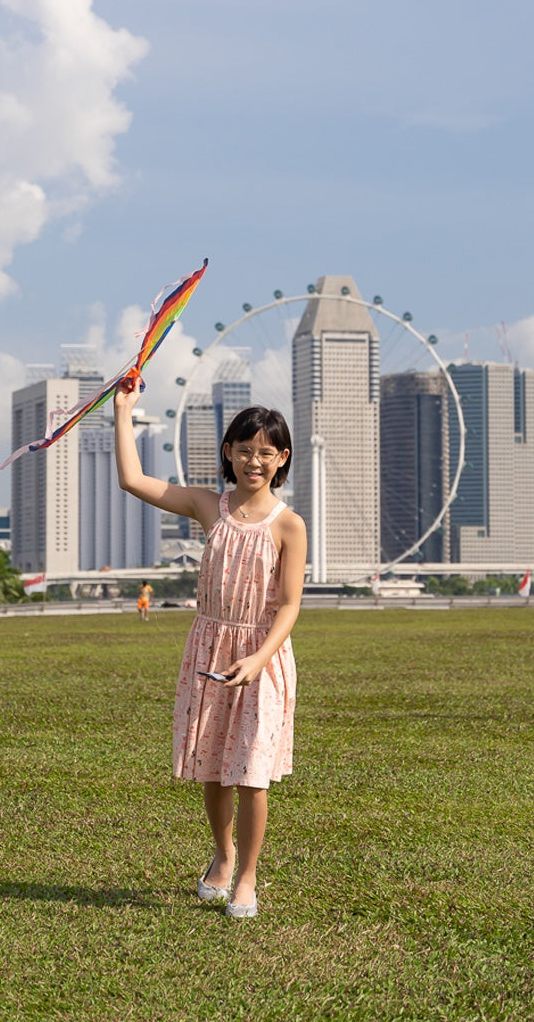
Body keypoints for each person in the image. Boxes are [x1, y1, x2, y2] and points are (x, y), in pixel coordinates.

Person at [114, 379, 306, 918]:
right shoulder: (208, 506)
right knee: (216, 767)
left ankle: (247, 878)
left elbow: (289, 605)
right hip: (211, 648)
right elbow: (133, 479)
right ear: (228, 452)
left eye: (266, 452)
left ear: (282, 458)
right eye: (245, 450)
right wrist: (123, 410)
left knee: (251, 772)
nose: (254, 461)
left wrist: (259, 658)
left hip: (260, 658)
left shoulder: (289, 524)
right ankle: (221, 859)